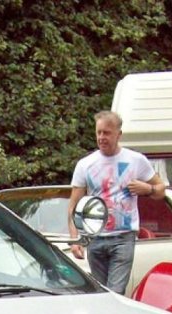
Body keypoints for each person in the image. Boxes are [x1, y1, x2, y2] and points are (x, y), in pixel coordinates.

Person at [68, 110, 164, 294]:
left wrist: (148, 189)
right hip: (95, 237)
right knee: (100, 294)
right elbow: (73, 206)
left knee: (115, 292)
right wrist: (75, 239)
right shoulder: (85, 164)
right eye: (98, 132)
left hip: (123, 237)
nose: (101, 137)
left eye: (107, 133)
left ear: (119, 134)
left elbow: (161, 190)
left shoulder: (136, 160)